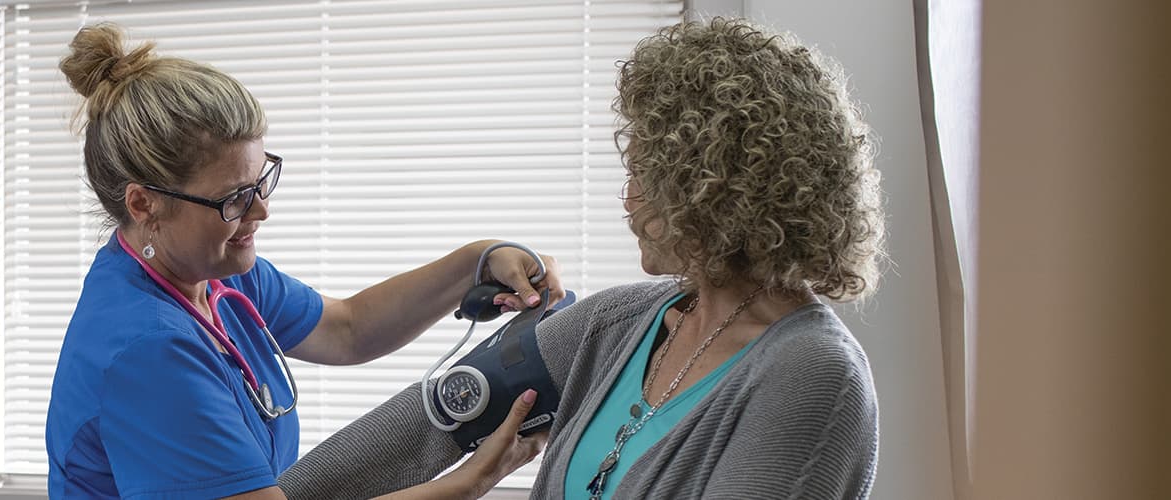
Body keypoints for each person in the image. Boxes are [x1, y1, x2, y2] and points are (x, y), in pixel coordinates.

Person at [277, 17, 885, 499]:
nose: (628, 198)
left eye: (645, 173)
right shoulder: (619, 323)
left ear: (715, 187)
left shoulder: (811, 376)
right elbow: (431, 421)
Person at [43, 23, 564, 500]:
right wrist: (473, 480)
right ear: (143, 203)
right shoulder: (147, 348)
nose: (262, 211)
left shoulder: (214, 279)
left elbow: (348, 328)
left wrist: (477, 261)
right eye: (234, 198)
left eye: (260, 181)